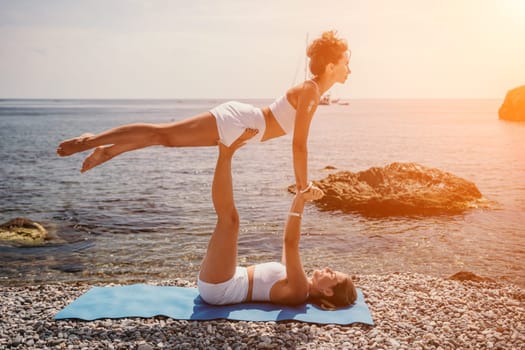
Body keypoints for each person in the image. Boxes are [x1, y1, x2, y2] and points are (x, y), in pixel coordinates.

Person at [56, 31, 351, 197]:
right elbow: (299, 144)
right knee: (163, 133)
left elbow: (294, 139)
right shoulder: (311, 91)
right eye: (346, 62)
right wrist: (303, 186)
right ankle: (90, 140)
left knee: (165, 138)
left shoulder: (314, 90)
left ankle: (107, 152)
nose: (349, 68)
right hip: (238, 122)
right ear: (330, 67)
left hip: (243, 127)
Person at [198, 129, 357, 309]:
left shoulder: (299, 291)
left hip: (221, 289)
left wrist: (301, 199)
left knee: (230, 221)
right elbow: (286, 247)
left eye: (333, 275)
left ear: (328, 292)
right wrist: (299, 197)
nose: (329, 269)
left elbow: (290, 242)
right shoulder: (301, 281)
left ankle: (225, 153)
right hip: (225, 279)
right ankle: (226, 152)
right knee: (229, 220)